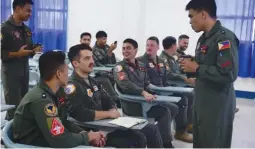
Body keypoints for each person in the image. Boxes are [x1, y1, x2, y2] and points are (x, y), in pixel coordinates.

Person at [65, 43, 164, 148]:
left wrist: (112, 109)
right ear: (76, 63)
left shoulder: (93, 81)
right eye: (87, 58)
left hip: (105, 125)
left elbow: (109, 100)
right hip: (89, 132)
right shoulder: (71, 85)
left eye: (92, 58)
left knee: (151, 128)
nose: (92, 61)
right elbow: (78, 113)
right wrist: (108, 114)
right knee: (137, 138)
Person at [12, 51, 106, 148]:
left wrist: (85, 134)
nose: (68, 75)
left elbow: (63, 121)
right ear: (58, 74)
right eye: (66, 71)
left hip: (47, 141)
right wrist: (87, 138)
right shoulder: (42, 101)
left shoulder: (57, 92)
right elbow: (61, 141)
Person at [181, 0, 239, 147]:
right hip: (202, 102)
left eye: (191, 16)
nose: (190, 21)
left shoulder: (224, 38)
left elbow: (228, 74)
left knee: (214, 144)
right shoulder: (204, 38)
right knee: (200, 143)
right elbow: (205, 64)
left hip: (217, 105)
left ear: (203, 14)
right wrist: (191, 65)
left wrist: (197, 68)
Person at [113, 38, 177, 148]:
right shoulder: (119, 67)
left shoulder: (142, 65)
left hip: (146, 102)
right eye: (123, 48)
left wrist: (154, 92)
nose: (125, 51)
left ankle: (165, 143)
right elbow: (126, 84)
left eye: (128, 48)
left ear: (136, 50)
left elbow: (147, 83)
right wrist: (143, 92)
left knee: (165, 110)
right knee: (160, 116)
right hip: (133, 105)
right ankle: (162, 144)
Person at [138, 36, 193, 142]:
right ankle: (176, 133)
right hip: (151, 95)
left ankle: (178, 130)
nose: (149, 47)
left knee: (183, 98)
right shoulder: (140, 61)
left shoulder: (161, 61)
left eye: (152, 45)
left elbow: (165, 80)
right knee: (178, 103)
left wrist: (173, 89)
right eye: (147, 45)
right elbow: (144, 84)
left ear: (158, 47)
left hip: (162, 92)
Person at [1, 0, 42, 120]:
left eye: (31, 11)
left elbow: (28, 49)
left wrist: (34, 49)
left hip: (24, 71)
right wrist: (16, 54)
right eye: (28, 10)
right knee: (14, 108)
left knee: (24, 106)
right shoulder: (4, 28)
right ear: (18, 9)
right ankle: (7, 137)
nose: (30, 14)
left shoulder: (27, 29)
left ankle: (21, 134)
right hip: (11, 73)